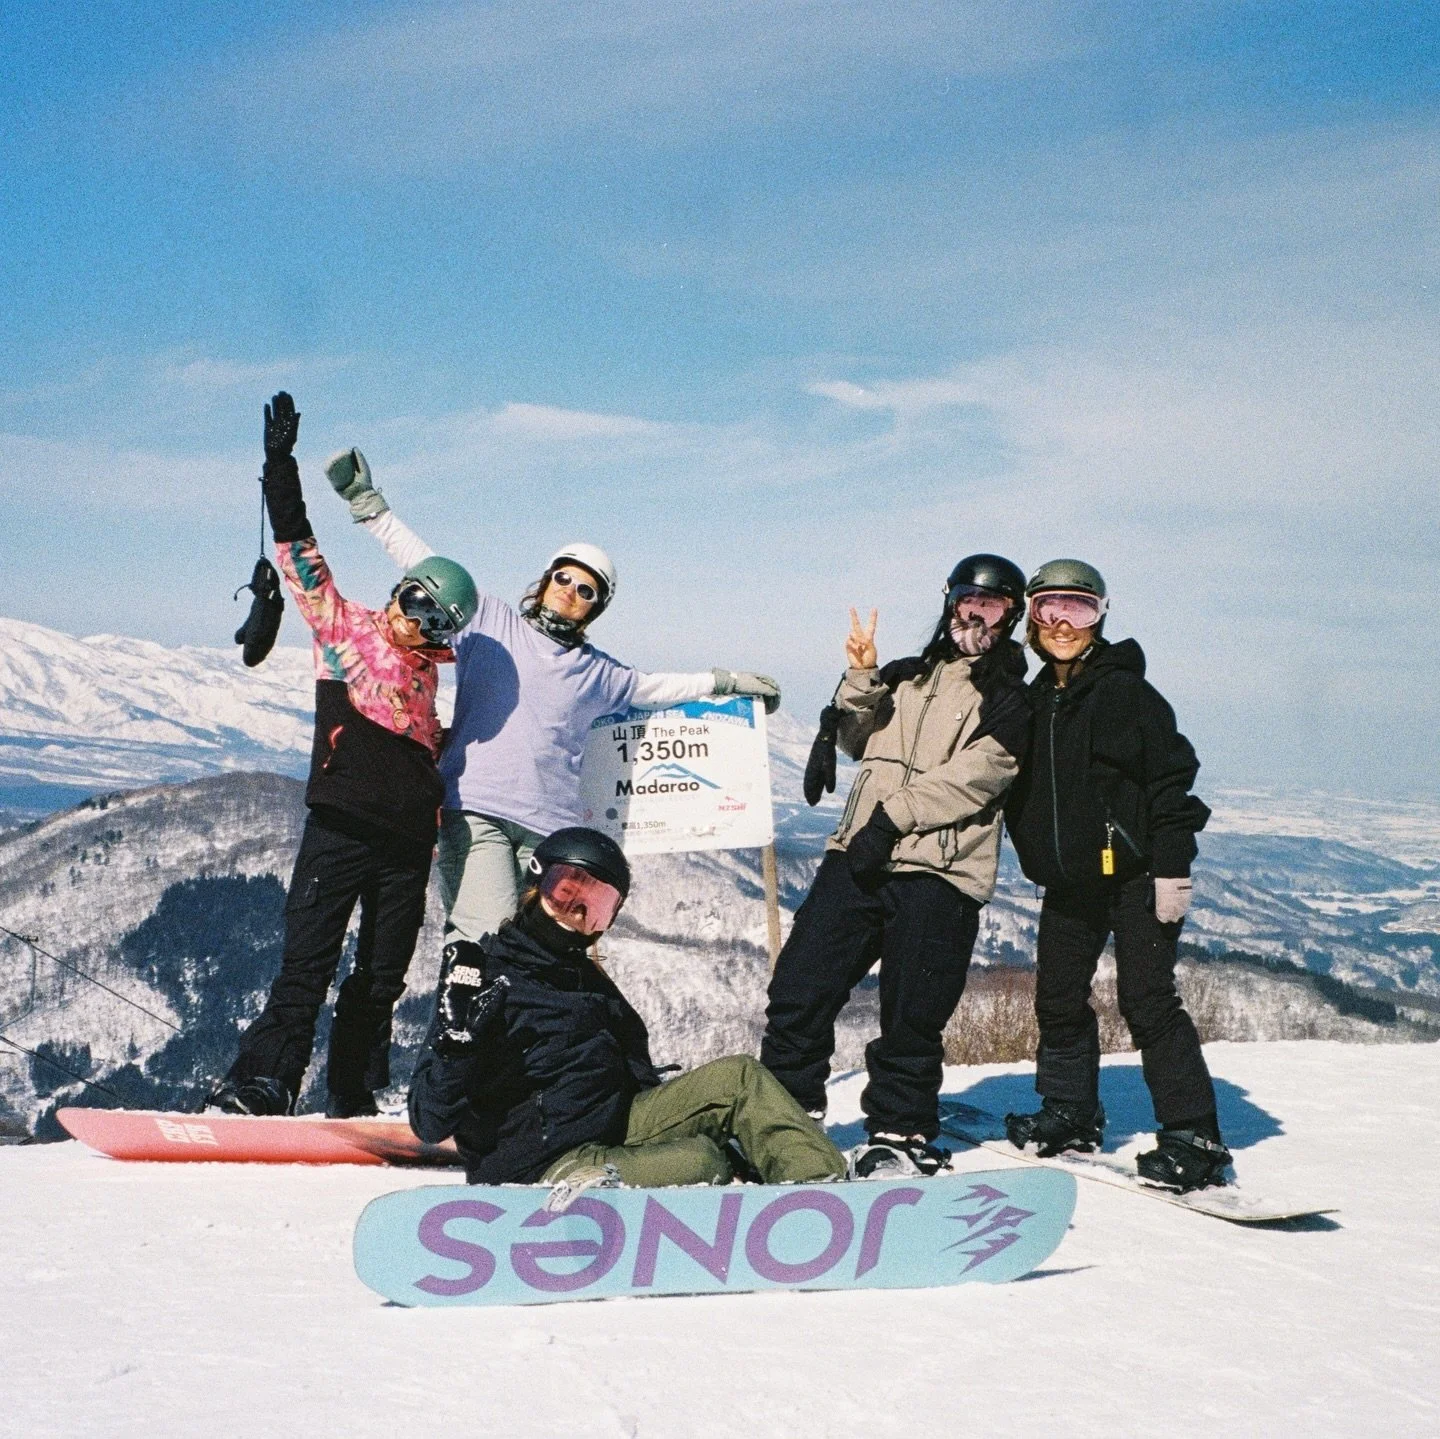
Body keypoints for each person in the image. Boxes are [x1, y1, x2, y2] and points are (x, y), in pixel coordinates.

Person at [324, 448, 781, 942]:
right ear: (545, 582)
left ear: (595, 608)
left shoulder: (600, 673)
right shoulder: (490, 624)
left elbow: (657, 688)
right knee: (483, 942)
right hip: (478, 811)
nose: (570, 591)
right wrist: (367, 503)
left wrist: (725, 682)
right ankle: (460, 1018)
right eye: (563, 578)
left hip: (552, 832)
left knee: (532, 953)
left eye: (586, 590)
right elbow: (425, 565)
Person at [206, 393, 480, 1119]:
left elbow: (440, 746)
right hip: (342, 825)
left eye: (429, 616)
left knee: (382, 976)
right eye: (410, 597)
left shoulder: (431, 675)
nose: (409, 617)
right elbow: (297, 545)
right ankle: (265, 1081)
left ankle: (352, 1090)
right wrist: (278, 463)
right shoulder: (344, 627)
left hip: (405, 843)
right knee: (309, 962)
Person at [760, 555, 1031, 1179]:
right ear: (950, 602)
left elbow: (977, 779)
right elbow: (858, 740)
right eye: (968, 599)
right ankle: (786, 1119)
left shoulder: (1013, 699)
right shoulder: (906, 677)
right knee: (799, 990)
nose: (977, 615)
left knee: (911, 1015)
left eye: (992, 606)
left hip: (940, 872)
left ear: (1011, 615)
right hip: (857, 858)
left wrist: (889, 819)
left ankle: (899, 1133)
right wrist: (859, 676)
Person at [408, 827, 847, 1188]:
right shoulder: (482, 977)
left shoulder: (585, 978)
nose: (576, 913)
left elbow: (634, 1070)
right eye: (565, 892)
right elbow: (429, 1124)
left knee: (737, 1078)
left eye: (596, 907)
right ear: (536, 883)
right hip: (538, 1168)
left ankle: (821, 1189)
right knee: (701, 1161)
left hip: (612, 1129)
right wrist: (456, 1045)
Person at [1001, 559, 1227, 1192]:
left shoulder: (1127, 692)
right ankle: (1071, 1112)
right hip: (1071, 880)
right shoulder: (1035, 697)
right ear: (1031, 618)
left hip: (1135, 873)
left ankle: (1194, 1135)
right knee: (1058, 998)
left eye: (1080, 608)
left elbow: (1171, 782)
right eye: (1050, 608)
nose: (1063, 623)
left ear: (1101, 615)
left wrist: (1173, 869)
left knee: (1147, 1000)